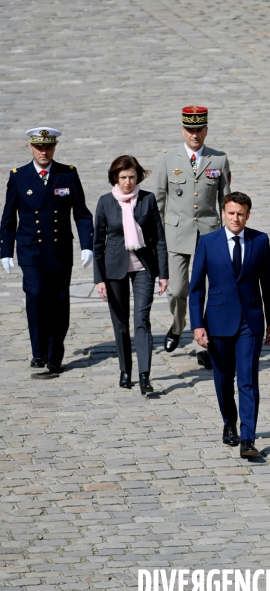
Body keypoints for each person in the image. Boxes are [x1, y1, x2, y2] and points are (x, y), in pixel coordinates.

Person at [189, 192, 270, 458]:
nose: (235, 218)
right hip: (217, 321)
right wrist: (197, 324)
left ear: (247, 214)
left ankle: (248, 438)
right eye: (231, 213)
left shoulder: (259, 240)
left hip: (250, 322)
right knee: (224, 378)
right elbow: (196, 289)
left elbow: (268, 284)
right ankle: (229, 422)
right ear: (223, 214)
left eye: (240, 213)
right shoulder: (207, 242)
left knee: (248, 381)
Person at [0, 127, 93, 375]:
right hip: (30, 249)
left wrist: (87, 245)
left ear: (54, 147)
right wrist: (6, 252)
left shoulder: (67, 175)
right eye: (39, 147)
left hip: (59, 249)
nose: (44, 151)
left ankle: (54, 356)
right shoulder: (19, 176)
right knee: (36, 295)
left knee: (60, 301)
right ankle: (38, 350)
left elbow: (81, 214)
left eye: (48, 147)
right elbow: (8, 218)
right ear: (31, 147)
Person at [154, 105, 231, 370]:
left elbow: (226, 200)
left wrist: (229, 234)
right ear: (183, 130)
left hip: (209, 233)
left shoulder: (218, 159)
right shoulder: (167, 158)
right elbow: (159, 201)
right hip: (176, 233)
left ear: (206, 130)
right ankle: (178, 326)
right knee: (177, 289)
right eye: (190, 130)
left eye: (199, 130)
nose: (194, 135)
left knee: (208, 290)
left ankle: (204, 343)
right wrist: (157, 237)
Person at [93, 155, 168, 393]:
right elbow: (98, 243)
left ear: (138, 177)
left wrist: (164, 273)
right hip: (114, 268)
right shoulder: (105, 202)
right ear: (115, 177)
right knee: (121, 322)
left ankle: (145, 374)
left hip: (143, 267)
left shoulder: (147, 200)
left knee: (142, 320)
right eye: (123, 177)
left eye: (132, 177)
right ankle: (125, 369)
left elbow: (159, 239)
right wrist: (99, 278)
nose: (127, 182)